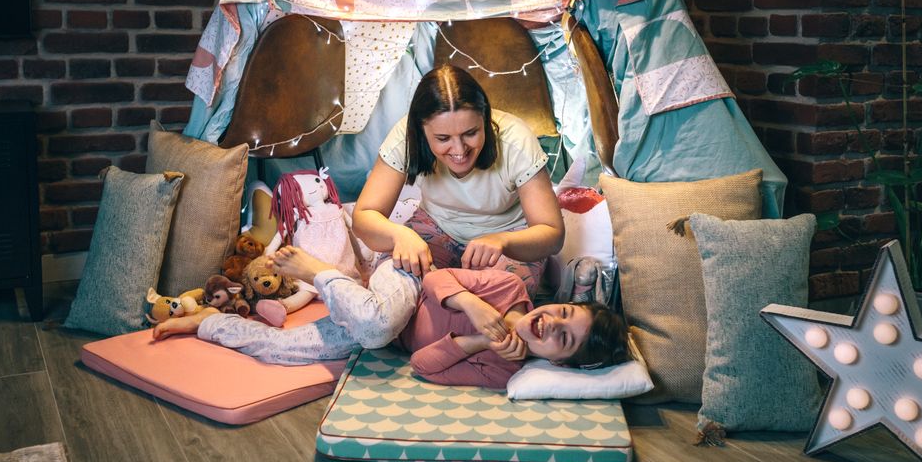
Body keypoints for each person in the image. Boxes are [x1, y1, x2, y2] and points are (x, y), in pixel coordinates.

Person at [152, 246, 630, 390]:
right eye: (563, 312)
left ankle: (205, 324)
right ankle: (319, 274)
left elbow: (423, 364)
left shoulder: (503, 368)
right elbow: (438, 278)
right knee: (378, 327)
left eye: (562, 339)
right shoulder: (509, 288)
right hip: (403, 282)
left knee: (284, 350)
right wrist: (473, 306)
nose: (551, 323)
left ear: (559, 364)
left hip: (377, 329)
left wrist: (480, 343)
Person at [352, 64, 564, 297]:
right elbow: (364, 217)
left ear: (485, 118)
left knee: (503, 303)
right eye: (443, 138)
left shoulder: (516, 139)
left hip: (508, 233)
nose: (459, 150)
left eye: (471, 133)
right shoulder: (406, 136)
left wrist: (502, 240)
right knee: (393, 294)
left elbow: (552, 235)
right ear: (421, 132)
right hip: (435, 226)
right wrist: (399, 235)